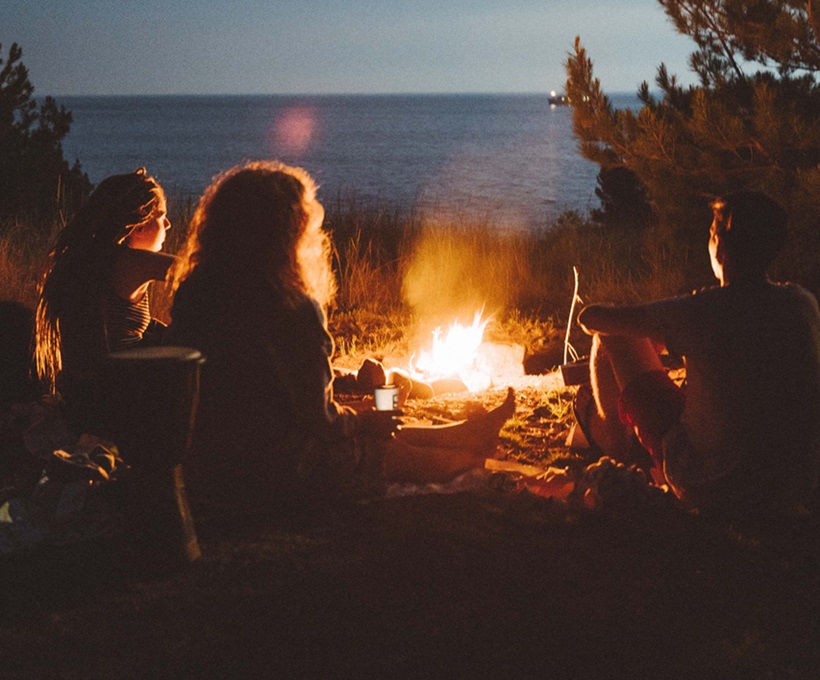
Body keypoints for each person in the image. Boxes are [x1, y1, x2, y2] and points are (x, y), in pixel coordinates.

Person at [166, 160, 515, 510]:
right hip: (276, 471)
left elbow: (268, 401)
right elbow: (321, 421)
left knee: (375, 426)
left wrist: (360, 417)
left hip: (208, 464)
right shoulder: (292, 309)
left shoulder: (194, 295)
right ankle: (466, 459)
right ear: (289, 233)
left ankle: (465, 433)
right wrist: (362, 419)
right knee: (394, 450)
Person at [575, 190, 820, 516]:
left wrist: (653, 332)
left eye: (710, 234)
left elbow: (590, 319)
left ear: (720, 245)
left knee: (613, 337)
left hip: (712, 486)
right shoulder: (802, 303)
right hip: (793, 486)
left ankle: (613, 447)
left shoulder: (702, 310)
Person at [35, 168, 176, 423]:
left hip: (85, 397)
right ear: (138, 225)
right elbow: (201, 275)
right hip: (119, 397)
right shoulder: (130, 262)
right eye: (161, 215)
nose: (168, 224)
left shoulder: (88, 260)